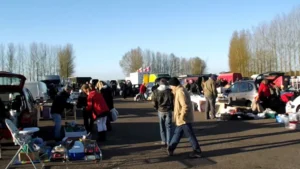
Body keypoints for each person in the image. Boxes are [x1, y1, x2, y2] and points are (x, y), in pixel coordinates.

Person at [166, 77, 202, 158]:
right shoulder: (179, 90)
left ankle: (197, 151)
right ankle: (171, 148)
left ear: (174, 85)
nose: (171, 88)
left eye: (171, 86)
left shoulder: (180, 92)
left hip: (184, 119)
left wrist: (182, 117)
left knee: (190, 135)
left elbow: (185, 106)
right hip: (181, 118)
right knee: (177, 134)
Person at [152, 79, 174, 147]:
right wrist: (172, 108)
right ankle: (169, 141)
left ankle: (163, 141)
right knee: (169, 127)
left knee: (162, 126)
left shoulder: (156, 91)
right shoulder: (170, 91)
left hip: (160, 110)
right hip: (168, 110)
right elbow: (172, 101)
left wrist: (156, 108)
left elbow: (154, 102)